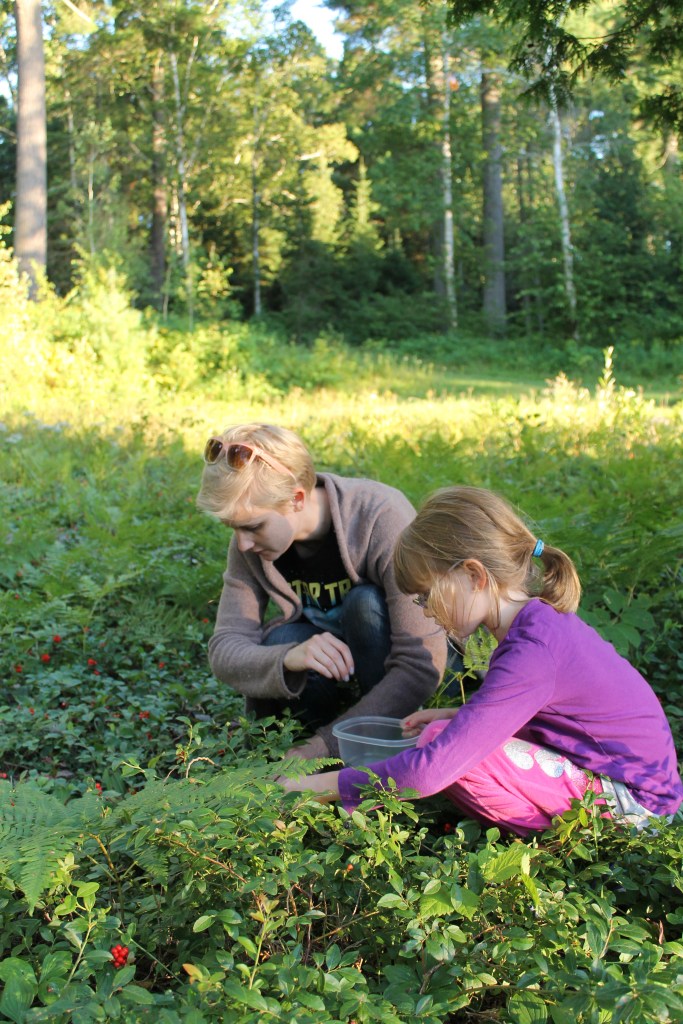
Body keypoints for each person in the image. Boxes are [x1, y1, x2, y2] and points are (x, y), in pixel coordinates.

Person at [282, 486, 683, 836]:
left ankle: (554, 841)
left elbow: (428, 771)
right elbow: (548, 712)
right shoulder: (536, 624)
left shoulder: (532, 650)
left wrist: (317, 787)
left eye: (426, 595)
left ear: (473, 575)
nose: (424, 610)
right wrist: (458, 713)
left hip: (635, 805)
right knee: (445, 733)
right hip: (632, 785)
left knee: (439, 748)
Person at [196, 423, 447, 760]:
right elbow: (225, 648)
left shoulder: (381, 516)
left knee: (364, 604)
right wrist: (287, 658)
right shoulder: (249, 542)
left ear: (297, 498)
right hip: (328, 669)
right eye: (234, 529)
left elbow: (420, 664)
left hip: (389, 670)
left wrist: (321, 748)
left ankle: (374, 744)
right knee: (281, 640)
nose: (242, 543)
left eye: (253, 527)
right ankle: (308, 735)